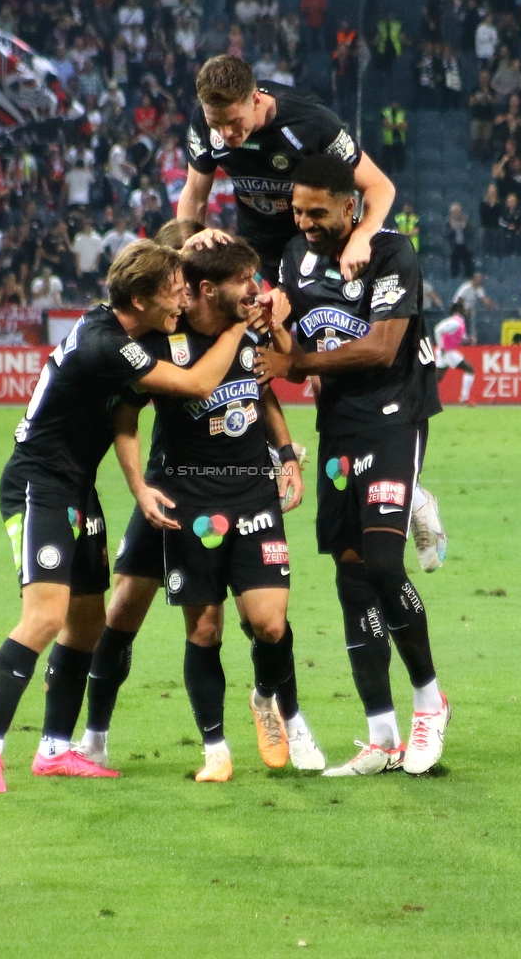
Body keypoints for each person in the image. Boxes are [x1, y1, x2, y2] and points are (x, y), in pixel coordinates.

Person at [0, 241, 255, 794]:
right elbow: (195, 385)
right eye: (173, 291)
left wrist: (185, 244)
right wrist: (239, 327)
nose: (183, 299)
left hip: (77, 490)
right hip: (38, 486)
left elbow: (123, 413)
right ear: (141, 299)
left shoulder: (128, 323)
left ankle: (54, 749)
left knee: (88, 623)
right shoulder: (106, 345)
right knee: (46, 617)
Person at [81, 226, 323, 778]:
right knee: (129, 614)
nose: (255, 288)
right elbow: (131, 406)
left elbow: (266, 388)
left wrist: (286, 452)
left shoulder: (249, 320)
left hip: (246, 488)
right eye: (244, 280)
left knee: (268, 623)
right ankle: (96, 737)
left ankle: (282, 708)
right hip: (177, 491)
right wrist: (139, 485)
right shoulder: (166, 330)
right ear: (204, 286)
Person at [254, 154, 450, 777]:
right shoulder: (292, 256)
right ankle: (381, 736)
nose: (306, 222)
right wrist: (277, 330)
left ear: (351, 206)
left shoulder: (393, 252)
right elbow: (299, 343)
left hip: (395, 413)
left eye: (318, 211)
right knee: (351, 573)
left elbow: (382, 346)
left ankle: (429, 704)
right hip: (337, 423)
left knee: (387, 564)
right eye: (297, 211)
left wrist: (295, 367)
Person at [177, 55, 395, 286]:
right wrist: (187, 251)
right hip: (256, 252)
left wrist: (361, 236)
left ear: (255, 99)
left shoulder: (310, 120)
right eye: (216, 124)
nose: (225, 133)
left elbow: (379, 186)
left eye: (234, 121)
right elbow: (194, 195)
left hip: (315, 249)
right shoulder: (203, 120)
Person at [434, 310, 476, 405]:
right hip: (448, 352)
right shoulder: (455, 322)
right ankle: (464, 397)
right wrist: (441, 347)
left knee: (437, 378)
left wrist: (468, 339)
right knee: (470, 369)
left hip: (445, 352)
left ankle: (417, 396)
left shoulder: (458, 322)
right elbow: (438, 330)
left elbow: (458, 337)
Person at [381, 102, 407, 173]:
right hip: (388, 142)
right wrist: (398, 126)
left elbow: (404, 126)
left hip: (399, 141)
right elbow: (386, 125)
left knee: (400, 164)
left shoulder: (402, 112)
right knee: (388, 165)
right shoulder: (385, 112)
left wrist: (391, 126)